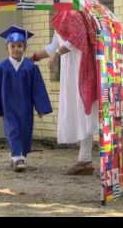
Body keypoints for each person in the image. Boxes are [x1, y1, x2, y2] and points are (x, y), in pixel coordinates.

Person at [32, 9, 99, 175]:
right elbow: (53, 46)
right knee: (77, 111)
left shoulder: (75, 15)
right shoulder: (61, 18)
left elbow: (78, 38)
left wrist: (56, 54)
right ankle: (84, 159)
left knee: (83, 110)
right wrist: (33, 58)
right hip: (70, 72)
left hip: (81, 68)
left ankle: (85, 160)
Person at [0, 25, 53, 172]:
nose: (16, 49)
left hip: (26, 107)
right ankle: (17, 157)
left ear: (25, 47)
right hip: (8, 107)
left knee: (25, 131)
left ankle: (20, 155)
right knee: (13, 130)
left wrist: (40, 108)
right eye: (13, 46)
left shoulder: (31, 67)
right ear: (7, 48)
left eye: (20, 46)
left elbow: (38, 88)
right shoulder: (1, 67)